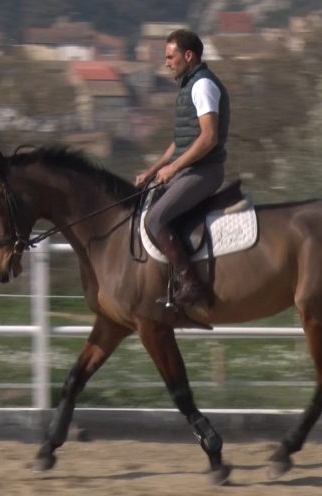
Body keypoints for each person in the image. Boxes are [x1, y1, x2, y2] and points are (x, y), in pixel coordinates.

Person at [135, 29, 230, 308]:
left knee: (155, 220)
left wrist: (174, 168)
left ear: (188, 56)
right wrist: (154, 170)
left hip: (205, 172)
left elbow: (209, 138)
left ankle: (192, 285)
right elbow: (181, 142)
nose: (166, 63)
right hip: (190, 169)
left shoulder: (202, 86)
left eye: (170, 57)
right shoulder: (190, 86)